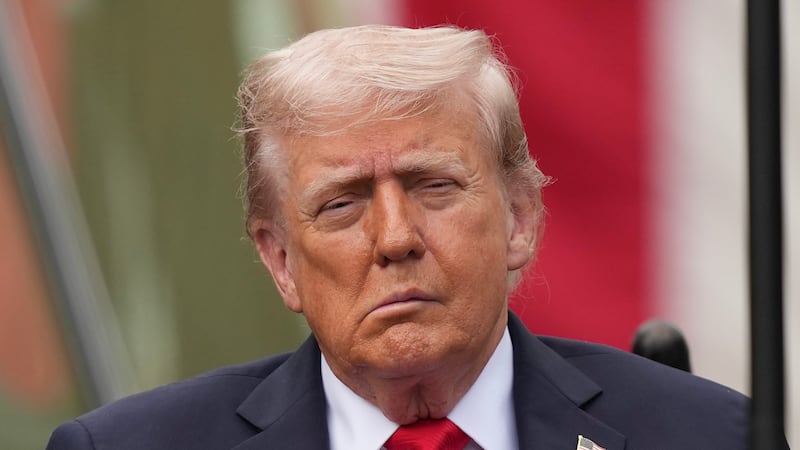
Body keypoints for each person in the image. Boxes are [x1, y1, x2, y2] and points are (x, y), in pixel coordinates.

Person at [47, 24, 776, 450]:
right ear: (279, 260)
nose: (394, 238)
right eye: (341, 205)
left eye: (434, 186)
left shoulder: (709, 437)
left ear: (521, 217)